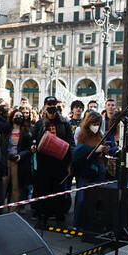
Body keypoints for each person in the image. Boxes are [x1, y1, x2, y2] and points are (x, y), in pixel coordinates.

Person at [31, 96, 75, 226]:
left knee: (59, 190)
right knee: (43, 190)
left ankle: (59, 217)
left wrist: (68, 160)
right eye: (49, 104)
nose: (52, 107)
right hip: (43, 163)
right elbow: (33, 140)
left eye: (54, 104)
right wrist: (33, 146)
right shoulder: (39, 124)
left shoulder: (64, 123)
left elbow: (71, 143)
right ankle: (42, 217)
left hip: (59, 162)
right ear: (44, 106)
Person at [71, 111, 107, 228]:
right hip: (84, 169)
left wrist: (104, 151)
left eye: (98, 123)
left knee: (96, 198)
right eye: (94, 123)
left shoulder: (101, 134)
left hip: (99, 168)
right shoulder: (80, 133)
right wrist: (94, 150)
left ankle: (91, 225)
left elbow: (102, 156)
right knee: (81, 198)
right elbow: (78, 151)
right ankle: (77, 224)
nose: (96, 126)